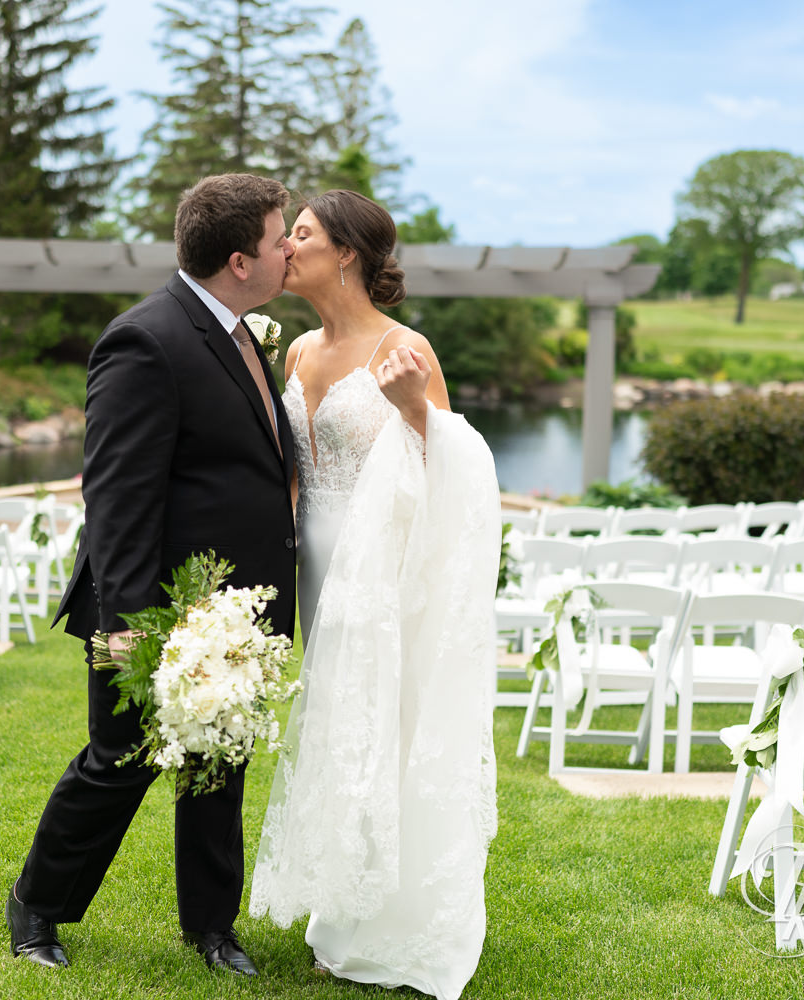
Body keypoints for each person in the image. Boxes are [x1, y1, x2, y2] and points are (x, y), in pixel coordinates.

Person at [7, 174, 298, 976]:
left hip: (232, 609)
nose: (289, 249)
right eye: (280, 239)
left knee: (219, 762)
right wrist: (128, 623)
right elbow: (117, 494)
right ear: (240, 260)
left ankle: (212, 929)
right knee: (118, 759)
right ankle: (37, 906)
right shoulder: (147, 338)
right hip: (151, 609)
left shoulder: (246, 334)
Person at [248, 189, 500, 1000]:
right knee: (334, 729)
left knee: (384, 731)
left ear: (347, 252)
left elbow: (453, 476)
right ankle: (339, 907)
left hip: (384, 573)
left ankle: (388, 924)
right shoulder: (294, 354)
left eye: (304, 234)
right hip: (311, 572)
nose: (287, 246)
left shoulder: (407, 348)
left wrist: (412, 411)